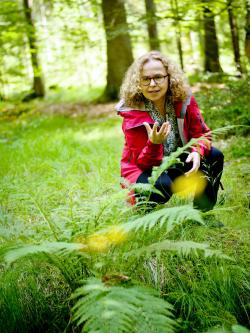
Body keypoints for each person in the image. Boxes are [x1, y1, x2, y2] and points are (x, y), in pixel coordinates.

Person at [115, 50, 224, 212]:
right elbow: (141, 163)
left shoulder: (183, 100)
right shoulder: (132, 112)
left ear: (168, 77)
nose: (152, 84)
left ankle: (203, 213)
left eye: (158, 77)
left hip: (177, 159)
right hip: (143, 169)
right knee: (161, 188)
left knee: (214, 156)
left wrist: (197, 151)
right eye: (146, 79)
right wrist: (153, 143)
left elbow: (203, 134)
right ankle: (142, 212)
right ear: (138, 82)